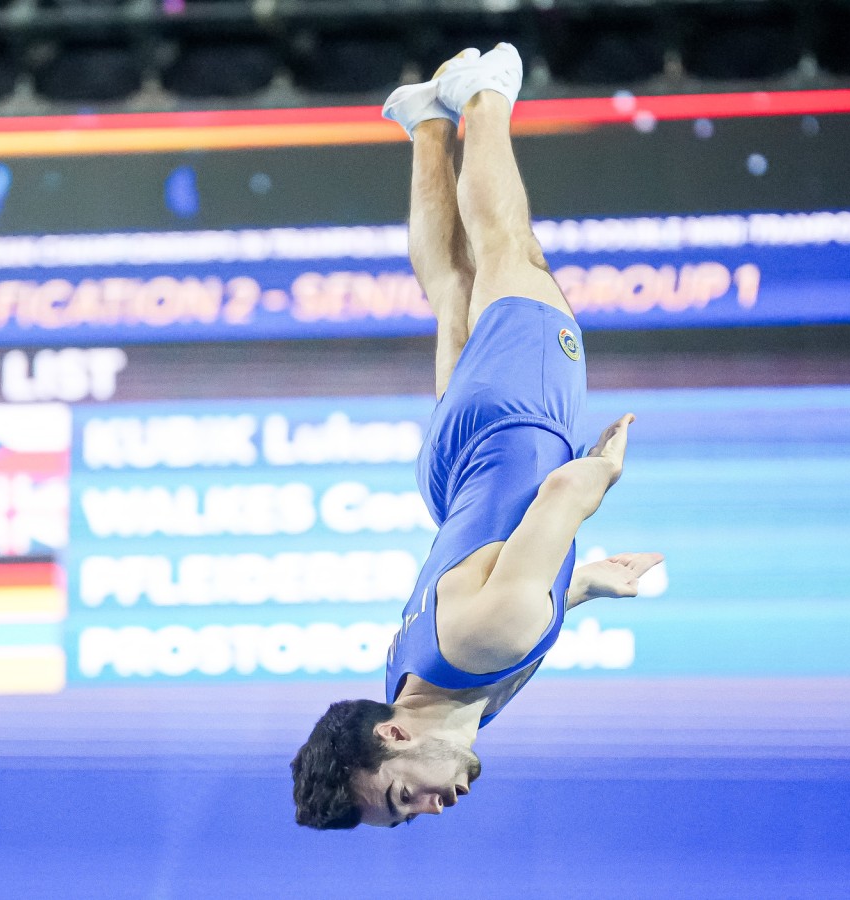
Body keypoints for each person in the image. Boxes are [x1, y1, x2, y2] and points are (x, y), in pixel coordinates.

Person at [290, 43, 663, 830]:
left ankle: (483, 95)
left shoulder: (491, 641)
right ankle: (425, 122)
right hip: (454, 476)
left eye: (404, 797)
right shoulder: (408, 684)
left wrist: (603, 473)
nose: (430, 808)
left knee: (509, 249)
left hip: (516, 423)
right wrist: (588, 584)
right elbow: (507, 585)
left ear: (393, 737)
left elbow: (562, 492)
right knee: (452, 289)